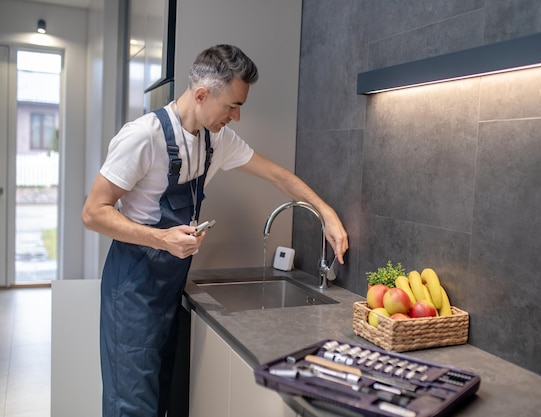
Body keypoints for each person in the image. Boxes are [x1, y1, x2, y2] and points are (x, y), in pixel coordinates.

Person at [82, 44, 348, 417]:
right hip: (132, 290)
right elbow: (93, 212)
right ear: (202, 94)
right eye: (232, 106)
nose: (237, 117)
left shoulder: (215, 140)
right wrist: (162, 238)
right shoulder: (143, 136)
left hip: (171, 289)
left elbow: (276, 175)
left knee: (161, 401)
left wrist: (326, 211)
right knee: (131, 408)